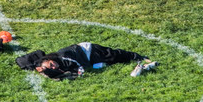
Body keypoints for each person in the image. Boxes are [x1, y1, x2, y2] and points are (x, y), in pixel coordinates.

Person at [16, 42, 157, 80]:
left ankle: (138, 57)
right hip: (88, 60)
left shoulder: (63, 56)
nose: (54, 67)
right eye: (51, 67)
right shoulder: (49, 65)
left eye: (51, 64)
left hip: (89, 51)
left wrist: (80, 71)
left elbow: (77, 65)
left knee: (114, 56)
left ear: (49, 59)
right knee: (102, 65)